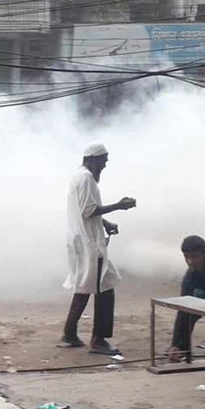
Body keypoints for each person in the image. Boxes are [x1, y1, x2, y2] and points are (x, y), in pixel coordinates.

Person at [62, 143, 137, 355]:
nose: (105, 164)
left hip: (84, 239)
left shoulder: (80, 177)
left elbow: (86, 210)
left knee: (90, 285)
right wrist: (119, 205)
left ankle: (70, 333)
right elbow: (89, 210)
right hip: (88, 242)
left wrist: (105, 223)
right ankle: (98, 340)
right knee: (101, 287)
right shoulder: (85, 178)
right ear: (92, 159)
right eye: (103, 160)